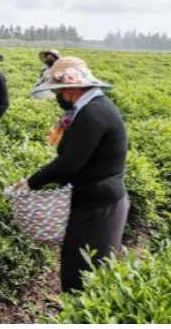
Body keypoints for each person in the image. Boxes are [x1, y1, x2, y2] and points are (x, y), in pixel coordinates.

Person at [16, 57, 129, 295]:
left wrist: (31, 183)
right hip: (92, 201)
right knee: (79, 268)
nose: (57, 97)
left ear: (70, 88)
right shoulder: (88, 109)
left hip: (99, 205)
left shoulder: (93, 113)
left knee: (84, 276)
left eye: (57, 91)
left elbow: (70, 163)